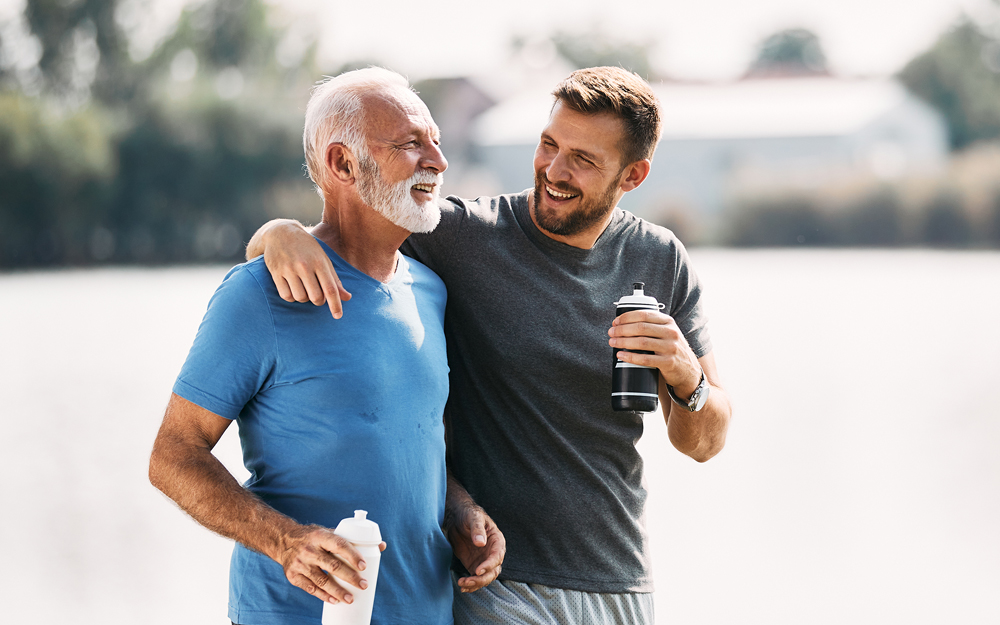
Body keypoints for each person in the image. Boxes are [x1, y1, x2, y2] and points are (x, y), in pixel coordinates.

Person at [247, 66, 733, 624]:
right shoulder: (461, 236)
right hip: (496, 582)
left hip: (619, 580)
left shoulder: (660, 259)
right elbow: (339, 240)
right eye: (550, 144)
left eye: (584, 159)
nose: (555, 169)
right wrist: (278, 233)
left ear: (633, 175)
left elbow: (704, 442)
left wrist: (684, 372)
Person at [148, 67, 503, 625]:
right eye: (412, 143)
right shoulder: (259, 294)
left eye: (434, 139)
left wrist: (459, 510)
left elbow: (410, 443)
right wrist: (285, 541)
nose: (438, 159)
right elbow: (172, 457)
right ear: (343, 164)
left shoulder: (430, 290)